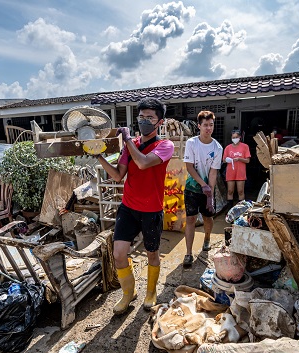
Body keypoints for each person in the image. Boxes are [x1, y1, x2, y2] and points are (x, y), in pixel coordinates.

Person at [95, 97, 174, 315]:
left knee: (152, 254)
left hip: (152, 211)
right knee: (119, 254)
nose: (144, 121)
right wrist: (98, 157)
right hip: (128, 208)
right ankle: (128, 294)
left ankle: (150, 292)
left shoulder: (165, 145)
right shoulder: (131, 145)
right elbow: (118, 176)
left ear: (160, 122)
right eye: (141, 117)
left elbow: (143, 162)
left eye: (150, 118)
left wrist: (128, 140)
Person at [182, 110, 223, 268]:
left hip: (207, 189)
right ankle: (188, 253)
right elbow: (189, 167)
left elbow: (213, 172)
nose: (208, 128)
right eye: (205, 125)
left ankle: (207, 238)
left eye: (211, 125)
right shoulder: (192, 143)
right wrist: (202, 184)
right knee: (191, 219)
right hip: (192, 188)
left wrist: (210, 194)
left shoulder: (217, 148)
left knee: (207, 217)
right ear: (199, 126)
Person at [223, 130, 251, 204]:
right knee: (230, 190)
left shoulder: (245, 147)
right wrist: (228, 160)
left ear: (240, 137)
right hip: (230, 172)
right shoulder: (228, 148)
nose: (235, 139)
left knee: (240, 191)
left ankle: (241, 209)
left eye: (236, 137)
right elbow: (223, 160)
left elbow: (247, 160)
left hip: (240, 172)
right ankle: (230, 209)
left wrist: (239, 159)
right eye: (233, 137)